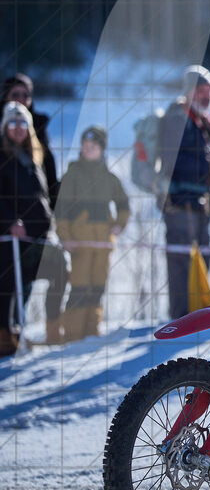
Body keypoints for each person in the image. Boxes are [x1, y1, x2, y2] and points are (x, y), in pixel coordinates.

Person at [158, 65, 210, 320]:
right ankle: (181, 320)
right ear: (188, 92)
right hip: (179, 204)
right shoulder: (177, 119)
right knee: (182, 264)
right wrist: (209, 166)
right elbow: (172, 162)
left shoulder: (202, 123)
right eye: (201, 90)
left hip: (199, 204)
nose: (207, 96)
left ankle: (195, 316)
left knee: (201, 261)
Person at [53, 126, 130, 341]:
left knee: (97, 288)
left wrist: (119, 224)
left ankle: (91, 334)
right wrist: (65, 236)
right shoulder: (73, 174)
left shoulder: (109, 178)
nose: (88, 150)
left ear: (102, 149)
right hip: (80, 243)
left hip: (103, 244)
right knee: (79, 289)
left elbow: (124, 204)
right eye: (85, 146)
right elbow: (61, 211)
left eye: (93, 146)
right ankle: (72, 335)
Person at [0, 102, 61, 354]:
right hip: (12, 237)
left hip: (40, 235)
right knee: (8, 286)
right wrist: (9, 222)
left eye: (23, 122)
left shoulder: (37, 157)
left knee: (60, 267)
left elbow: (45, 195)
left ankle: (53, 328)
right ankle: (5, 335)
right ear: (4, 127)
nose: (18, 128)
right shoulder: (1, 158)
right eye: (12, 123)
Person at [2, 73, 59, 207]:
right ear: (5, 97)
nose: (20, 99)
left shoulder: (39, 127)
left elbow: (49, 168)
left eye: (25, 95)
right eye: (15, 95)